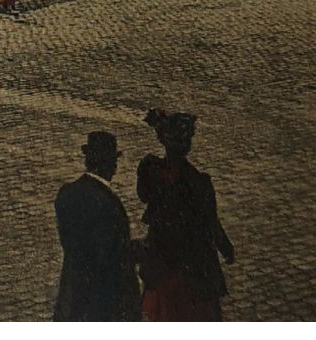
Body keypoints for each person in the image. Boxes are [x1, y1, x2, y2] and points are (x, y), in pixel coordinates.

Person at [137, 110, 234, 322]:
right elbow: (210, 222)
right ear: (188, 145)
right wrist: (226, 248)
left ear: (163, 140)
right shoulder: (199, 183)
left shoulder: (152, 172)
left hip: (163, 264)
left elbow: (143, 195)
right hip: (191, 269)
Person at [53, 131, 139, 322]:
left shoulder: (67, 193)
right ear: (111, 165)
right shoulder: (109, 204)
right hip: (103, 299)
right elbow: (109, 256)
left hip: (72, 293)